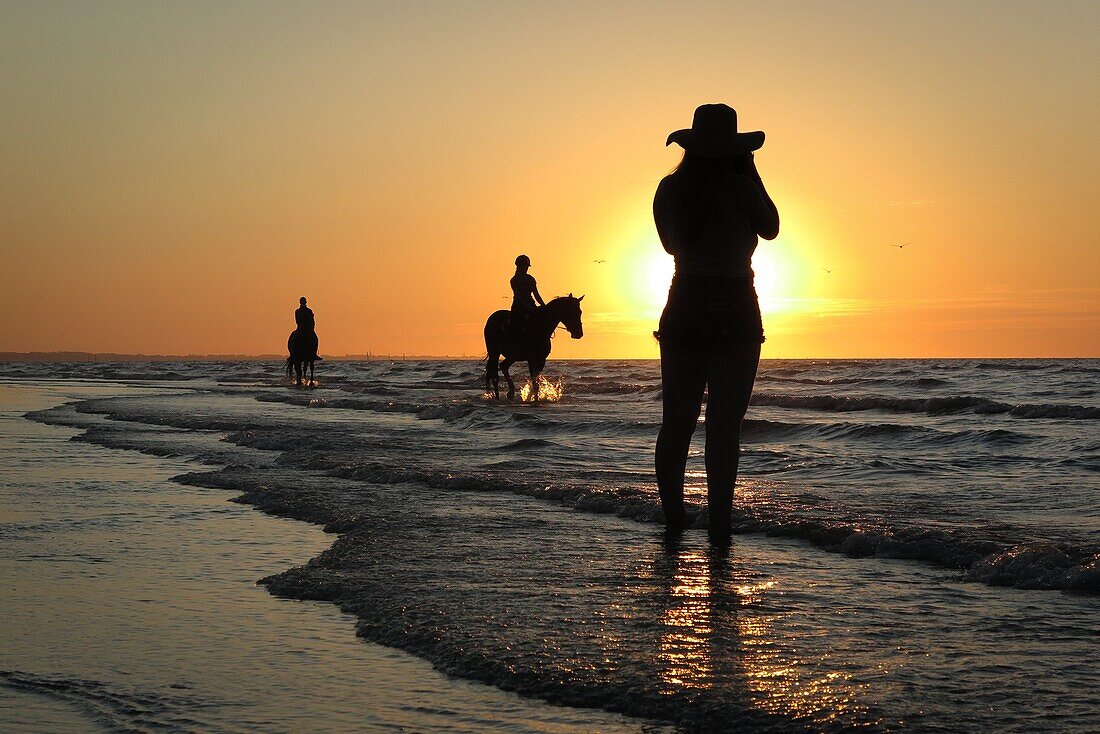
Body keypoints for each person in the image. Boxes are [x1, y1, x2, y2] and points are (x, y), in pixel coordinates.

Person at [653, 103, 779, 540]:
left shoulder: (669, 189)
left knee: (677, 424)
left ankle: (674, 523)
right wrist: (751, 171)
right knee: (724, 428)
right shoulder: (743, 188)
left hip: (685, 302)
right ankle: (719, 528)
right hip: (735, 307)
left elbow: (671, 244)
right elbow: (772, 227)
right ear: (735, 149)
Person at [509, 254, 545, 338]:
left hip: (531, 305)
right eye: (524, 266)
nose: (526, 269)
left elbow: (536, 295)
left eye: (526, 267)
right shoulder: (514, 280)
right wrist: (529, 307)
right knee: (517, 325)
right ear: (519, 266)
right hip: (518, 307)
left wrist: (544, 306)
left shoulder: (531, 279)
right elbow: (519, 297)